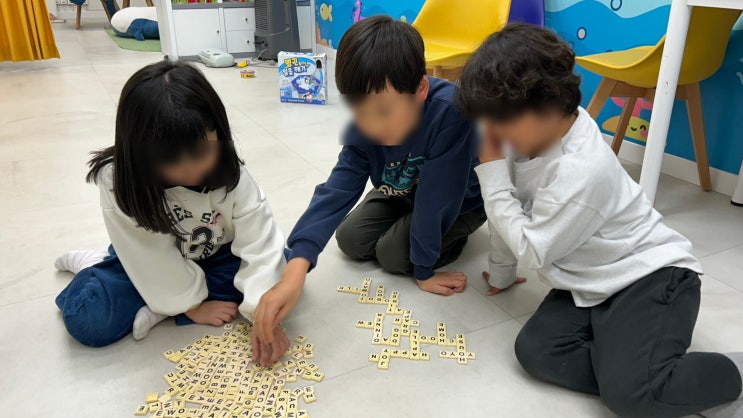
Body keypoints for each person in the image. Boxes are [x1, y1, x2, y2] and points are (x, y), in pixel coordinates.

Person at [457, 23, 743, 418]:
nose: (491, 133)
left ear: (548, 106)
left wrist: (490, 175)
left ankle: (722, 375)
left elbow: (531, 247)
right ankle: (630, 365)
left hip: (651, 275)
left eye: (499, 121)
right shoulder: (526, 139)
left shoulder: (581, 169)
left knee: (631, 397)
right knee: (536, 351)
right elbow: (508, 212)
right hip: (591, 281)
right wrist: (502, 274)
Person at [251, 15, 489, 349]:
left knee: (393, 254)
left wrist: (424, 270)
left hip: (459, 202)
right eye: (359, 112)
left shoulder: (451, 113)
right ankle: (407, 229)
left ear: (420, 90)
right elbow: (337, 190)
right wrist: (295, 269)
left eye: (384, 111)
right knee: (350, 239)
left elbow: (438, 199)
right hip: (404, 191)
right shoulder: (366, 125)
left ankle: (450, 240)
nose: (372, 126)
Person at [55, 61, 291, 364]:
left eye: (200, 153)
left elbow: (258, 242)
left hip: (215, 253)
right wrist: (191, 307)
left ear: (218, 133)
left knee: (283, 266)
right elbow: (149, 257)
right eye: (170, 160)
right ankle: (98, 265)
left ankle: (162, 306)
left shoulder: (233, 176)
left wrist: (262, 309)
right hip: (146, 257)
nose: (189, 170)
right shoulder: (119, 182)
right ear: (138, 152)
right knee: (90, 320)